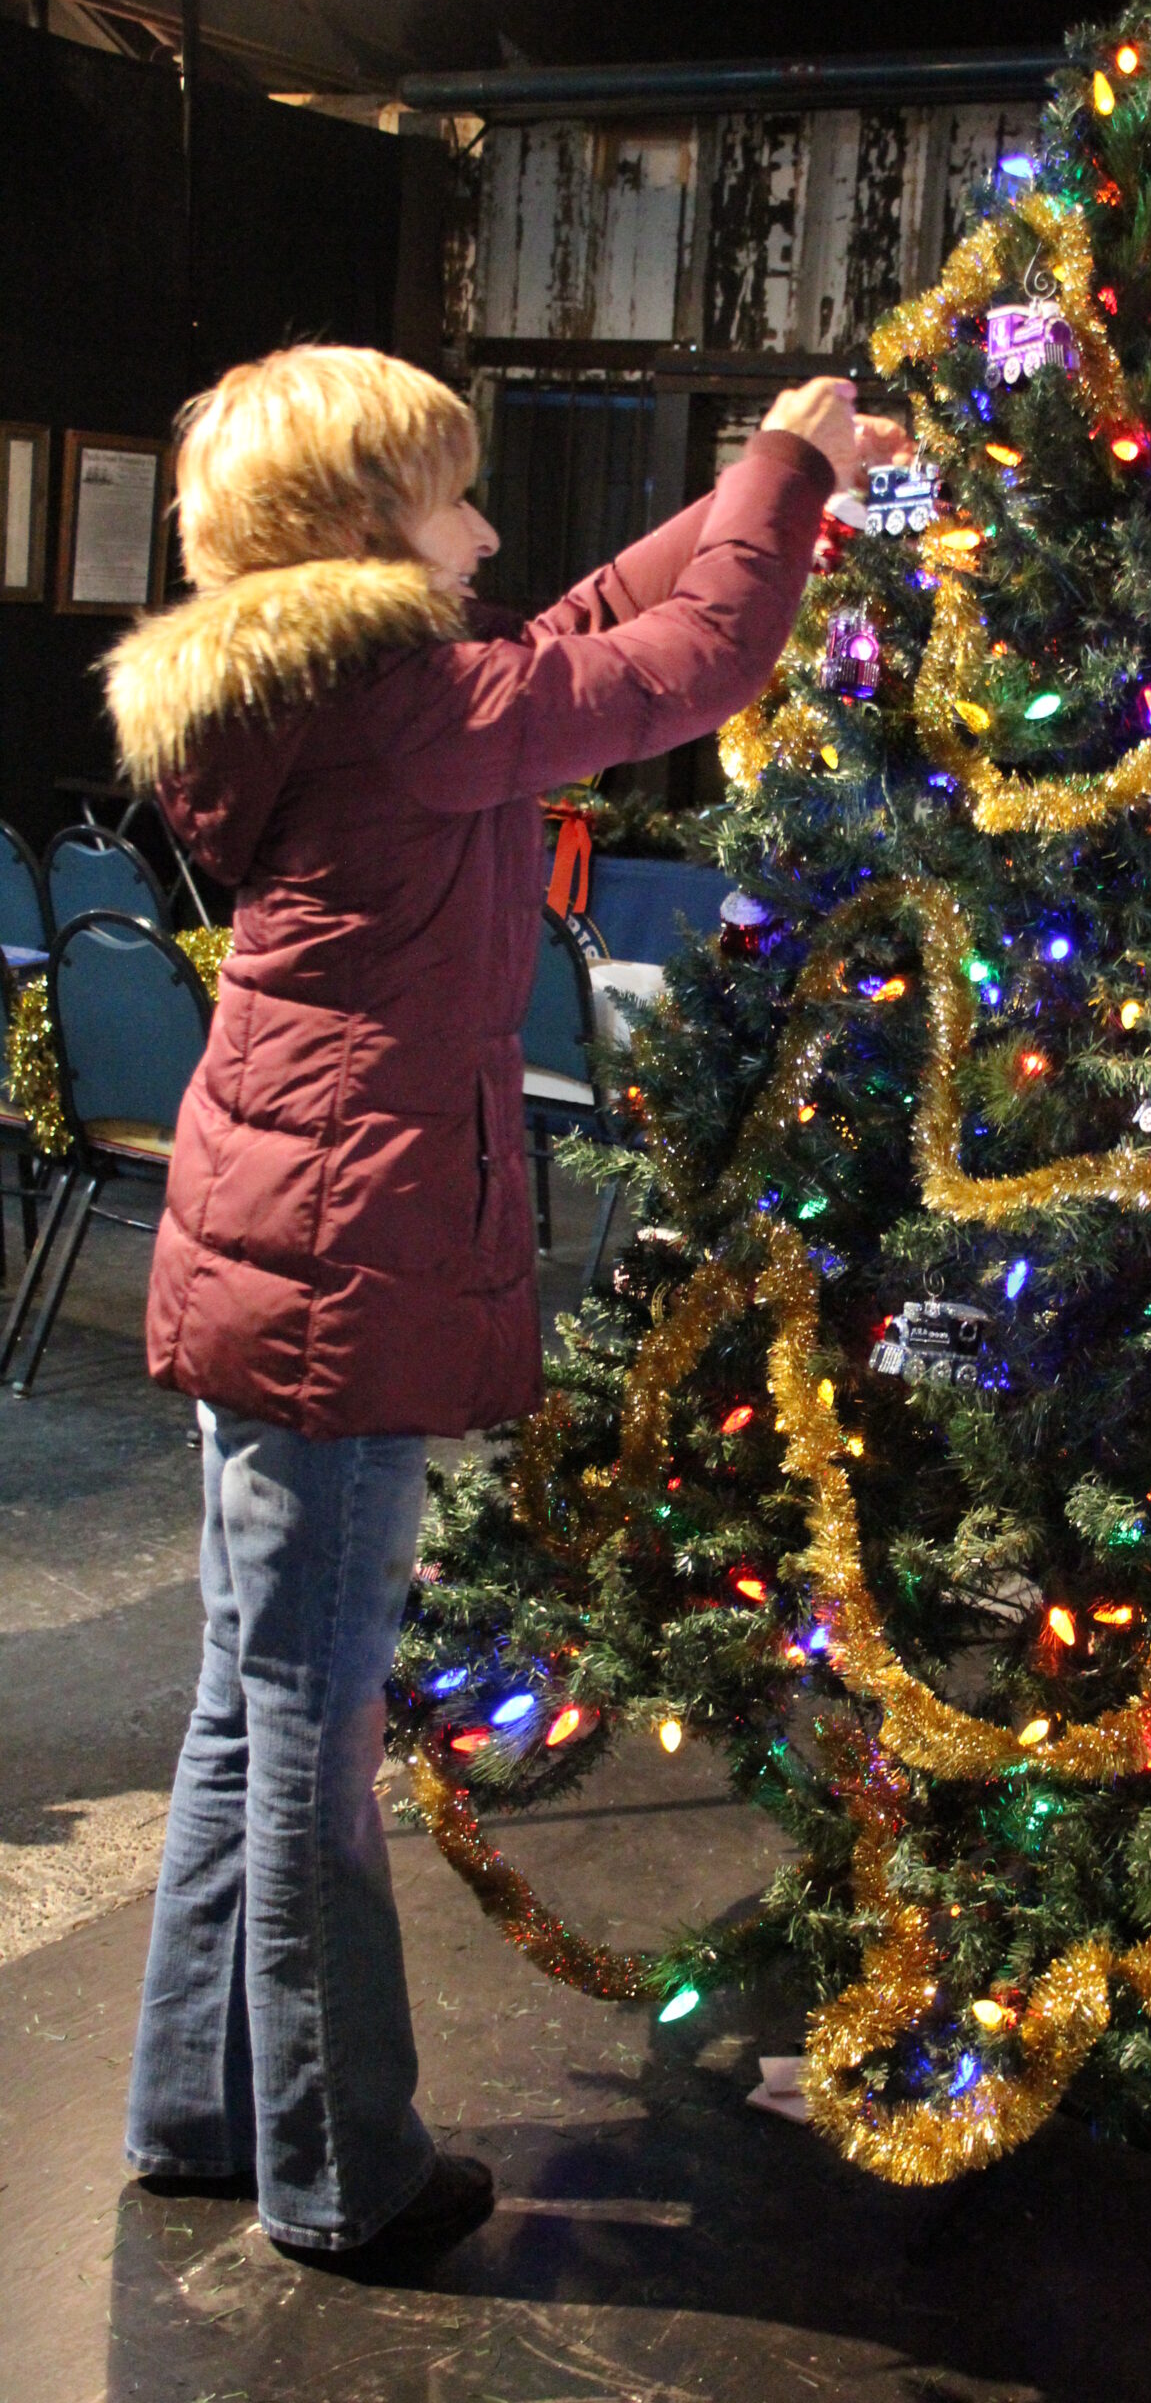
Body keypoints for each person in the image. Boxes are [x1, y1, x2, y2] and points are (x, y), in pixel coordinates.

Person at [104, 344, 905, 2272]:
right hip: (335, 1272)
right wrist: (787, 476)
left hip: (286, 1242)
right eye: (451, 490)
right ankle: (340, 2170)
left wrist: (743, 503)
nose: (485, 526)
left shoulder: (350, 691)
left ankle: (201, 2117)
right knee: (309, 1726)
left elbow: (583, 635)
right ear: (365, 524)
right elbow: (678, 674)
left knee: (252, 1704)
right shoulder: (391, 707)